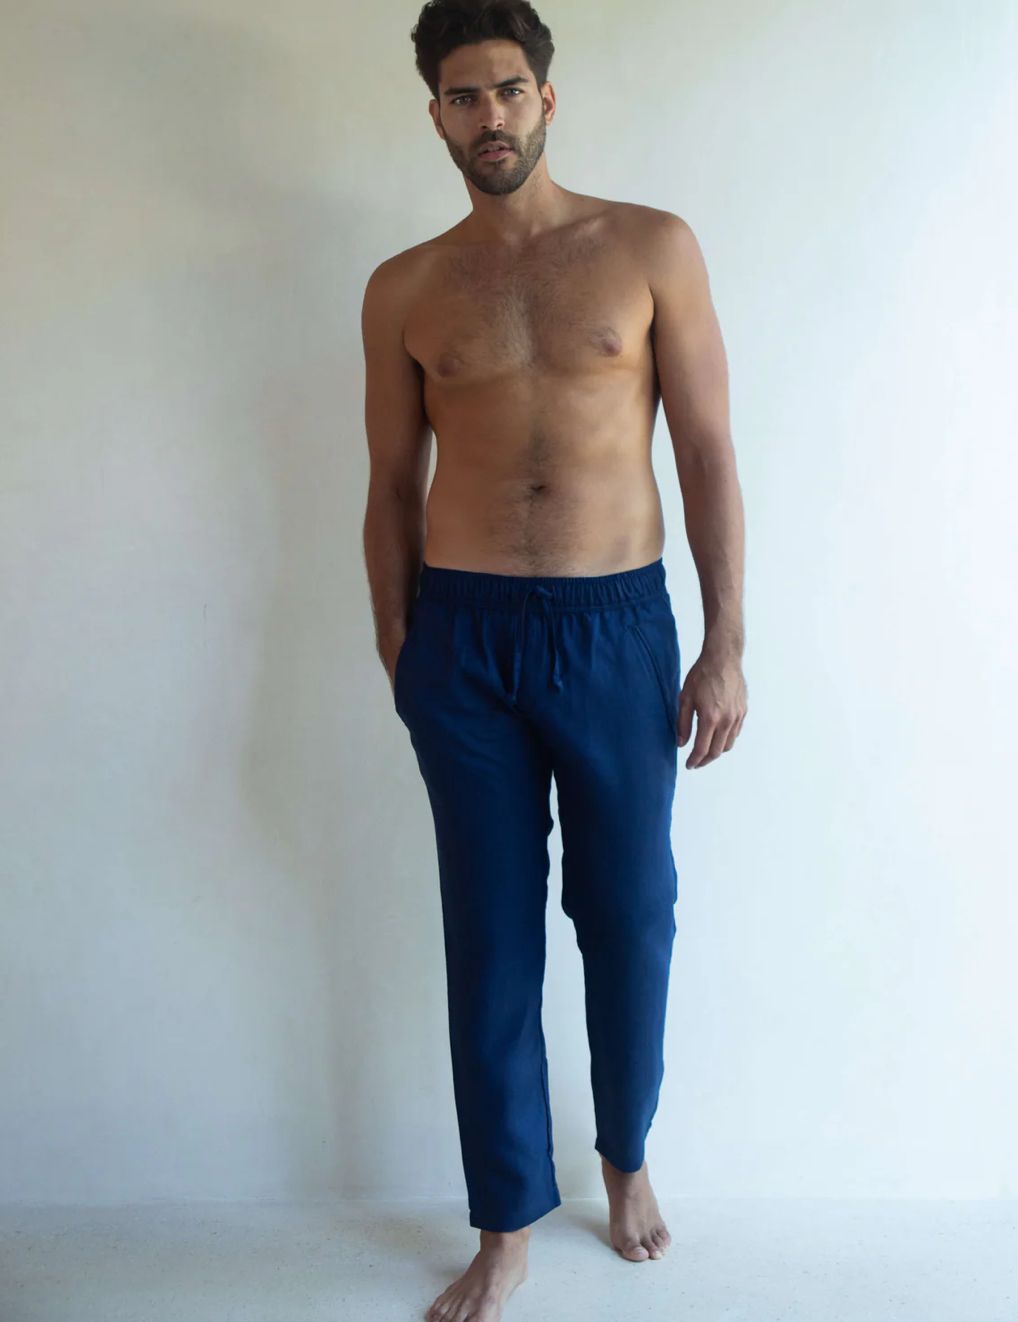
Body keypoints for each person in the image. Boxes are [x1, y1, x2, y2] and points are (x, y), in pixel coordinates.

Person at [361, 1, 748, 1317]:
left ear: (547, 97)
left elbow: (705, 451)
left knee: (629, 912)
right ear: (435, 114)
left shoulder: (648, 247)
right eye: (463, 97)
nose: (491, 116)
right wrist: (397, 637)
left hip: (613, 625)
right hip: (462, 637)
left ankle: (624, 1156)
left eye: (509, 89)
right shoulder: (405, 287)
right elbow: (388, 480)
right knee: (488, 936)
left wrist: (724, 642)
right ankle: (505, 1218)